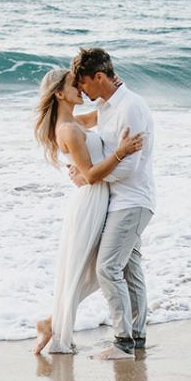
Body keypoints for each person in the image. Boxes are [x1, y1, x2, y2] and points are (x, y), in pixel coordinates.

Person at [32, 67, 144, 356]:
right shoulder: (68, 129)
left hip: (100, 199)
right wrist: (121, 152)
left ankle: (51, 322)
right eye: (73, 84)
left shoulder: (74, 121)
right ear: (59, 93)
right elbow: (92, 175)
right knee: (90, 271)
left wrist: (117, 85)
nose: (80, 88)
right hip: (91, 202)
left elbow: (103, 114)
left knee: (92, 271)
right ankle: (51, 324)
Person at [69, 47, 156, 361]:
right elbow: (76, 126)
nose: (82, 90)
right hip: (118, 201)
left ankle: (122, 343)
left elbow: (127, 168)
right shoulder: (106, 106)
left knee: (108, 267)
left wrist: (87, 175)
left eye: (84, 84)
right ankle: (137, 336)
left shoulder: (130, 107)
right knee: (130, 270)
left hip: (132, 201)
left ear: (99, 76)